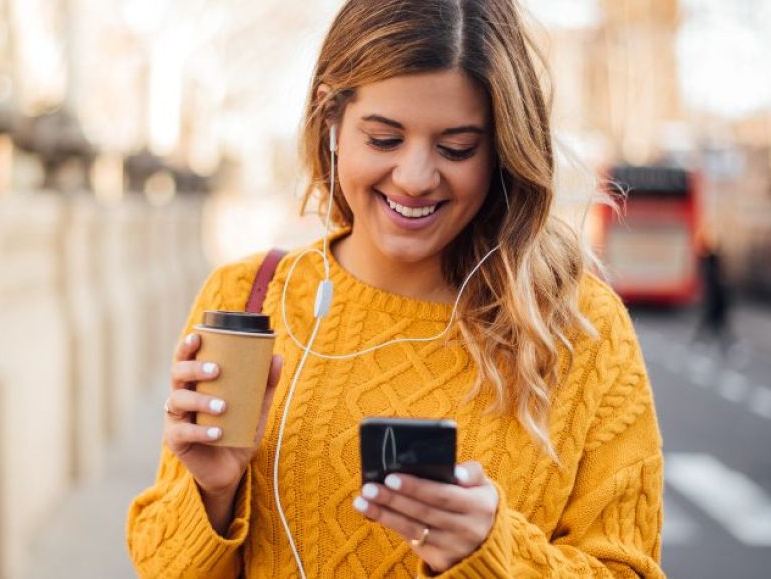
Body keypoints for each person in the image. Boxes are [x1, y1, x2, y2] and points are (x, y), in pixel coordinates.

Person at [127, 0, 664, 576]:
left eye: (457, 148)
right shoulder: (247, 296)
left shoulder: (578, 326)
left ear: (502, 148)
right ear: (330, 120)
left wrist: (489, 553)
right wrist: (212, 492)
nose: (414, 178)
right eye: (384, 140)